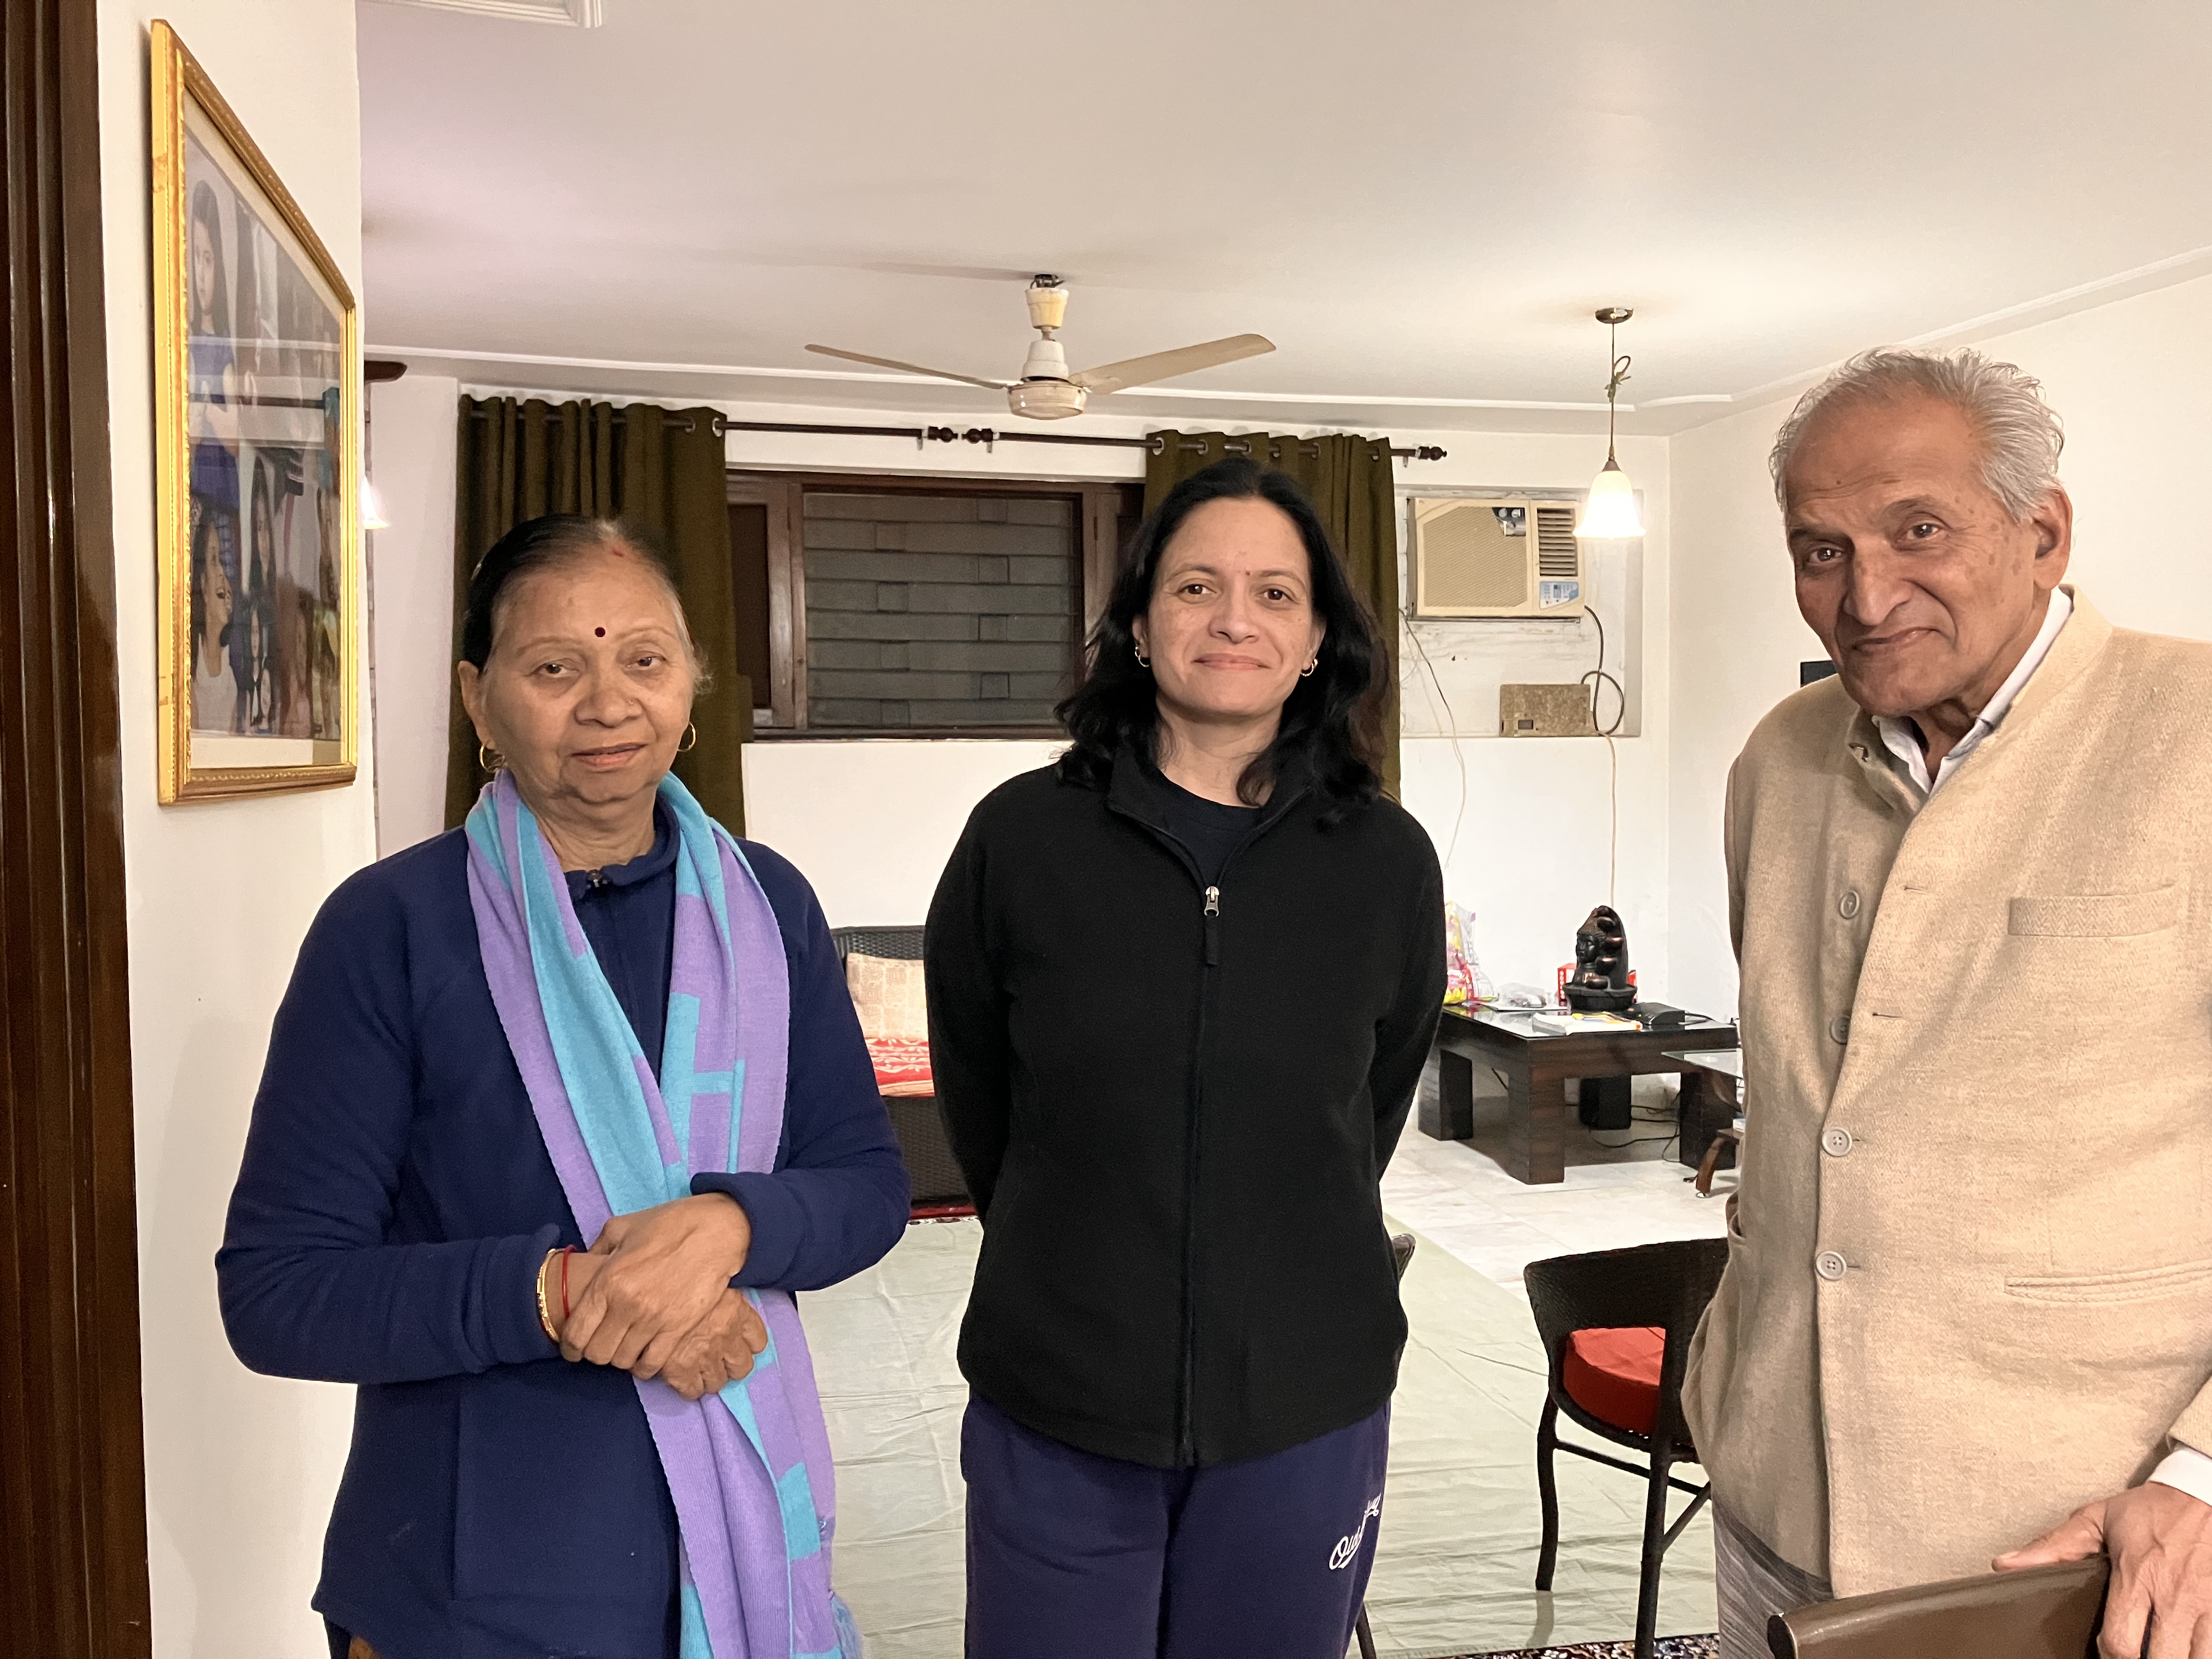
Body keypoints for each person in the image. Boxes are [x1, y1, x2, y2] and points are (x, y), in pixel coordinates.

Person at [219, 514, 906, 1659]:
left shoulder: (768, 907)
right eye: (554, 667)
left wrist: (733, 1224)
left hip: (746, 1563)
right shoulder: (392, 929)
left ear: (693, 683)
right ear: (479, 701)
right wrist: (570, 1293)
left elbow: (867, 1188)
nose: (608, 701)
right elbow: (281, 1292)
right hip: (470, 1590)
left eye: (645, 658)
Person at [1681, 348, 2212, 1659]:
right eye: (1820, 550)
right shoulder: (1778, 762)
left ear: (2043, 530)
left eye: (1919, 530)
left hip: (2085, 1549)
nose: (1865, 595)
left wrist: (2205, 1481)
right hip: (1772, 1506)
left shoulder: (2196, 737)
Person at [926, 458, 1446, 1659]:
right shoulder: (1022, 837)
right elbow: (982, 1097)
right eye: (1197, 586)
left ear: (1319, 638)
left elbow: (1366, 1111)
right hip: (1058, 1392)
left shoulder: (1385, 860)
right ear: (1141, 624)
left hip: (1305, 1398)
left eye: (1274, 593)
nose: (1233, 619)